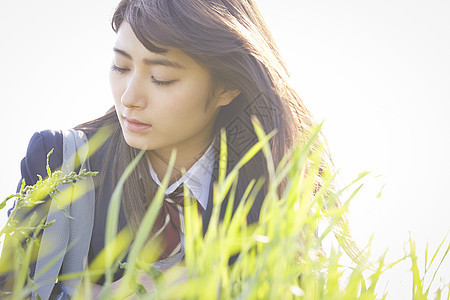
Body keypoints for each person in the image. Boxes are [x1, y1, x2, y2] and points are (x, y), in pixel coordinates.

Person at [0, 0, 323, 298]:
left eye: (161, 78)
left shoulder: (276, 179)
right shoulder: (59, 160)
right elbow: (13, 289)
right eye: (121, 67)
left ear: (227, 86)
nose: (129, 97)